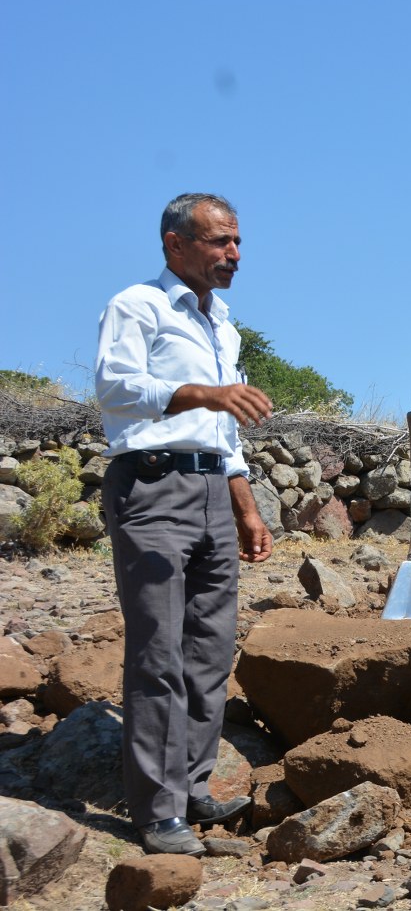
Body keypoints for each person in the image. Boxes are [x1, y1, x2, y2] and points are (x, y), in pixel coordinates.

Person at [96, 193, 275, 856]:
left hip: (210, 489)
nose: (233, 253)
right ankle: (157, 812)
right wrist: (205, 392)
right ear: (176, 244)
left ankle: (193, 787)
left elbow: (223, 432)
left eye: (236, 241)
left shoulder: (221, 324)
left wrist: (246, 506)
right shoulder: (136, 306)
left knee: (209, 649)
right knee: (157, 653)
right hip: (151, 487)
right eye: (219, 241)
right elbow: (116, 387)